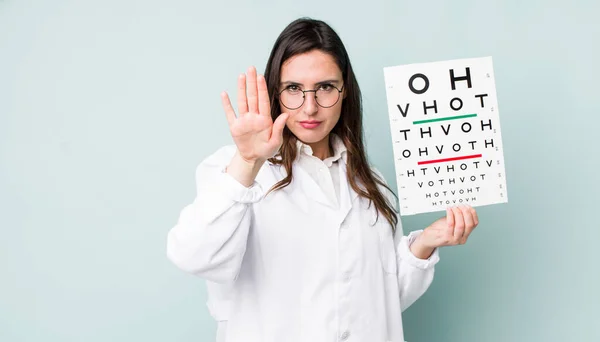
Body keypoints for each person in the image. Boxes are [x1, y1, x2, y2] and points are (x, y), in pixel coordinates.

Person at [166, 17, 479, 342]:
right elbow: (194, 255)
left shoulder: (373, 183)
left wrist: (424, 244)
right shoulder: (235, 171)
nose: (310, 107)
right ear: (276, 92)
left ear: (345, 92)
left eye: (325, 87)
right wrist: (247, 161)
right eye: (293, 89)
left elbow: (382, 303)